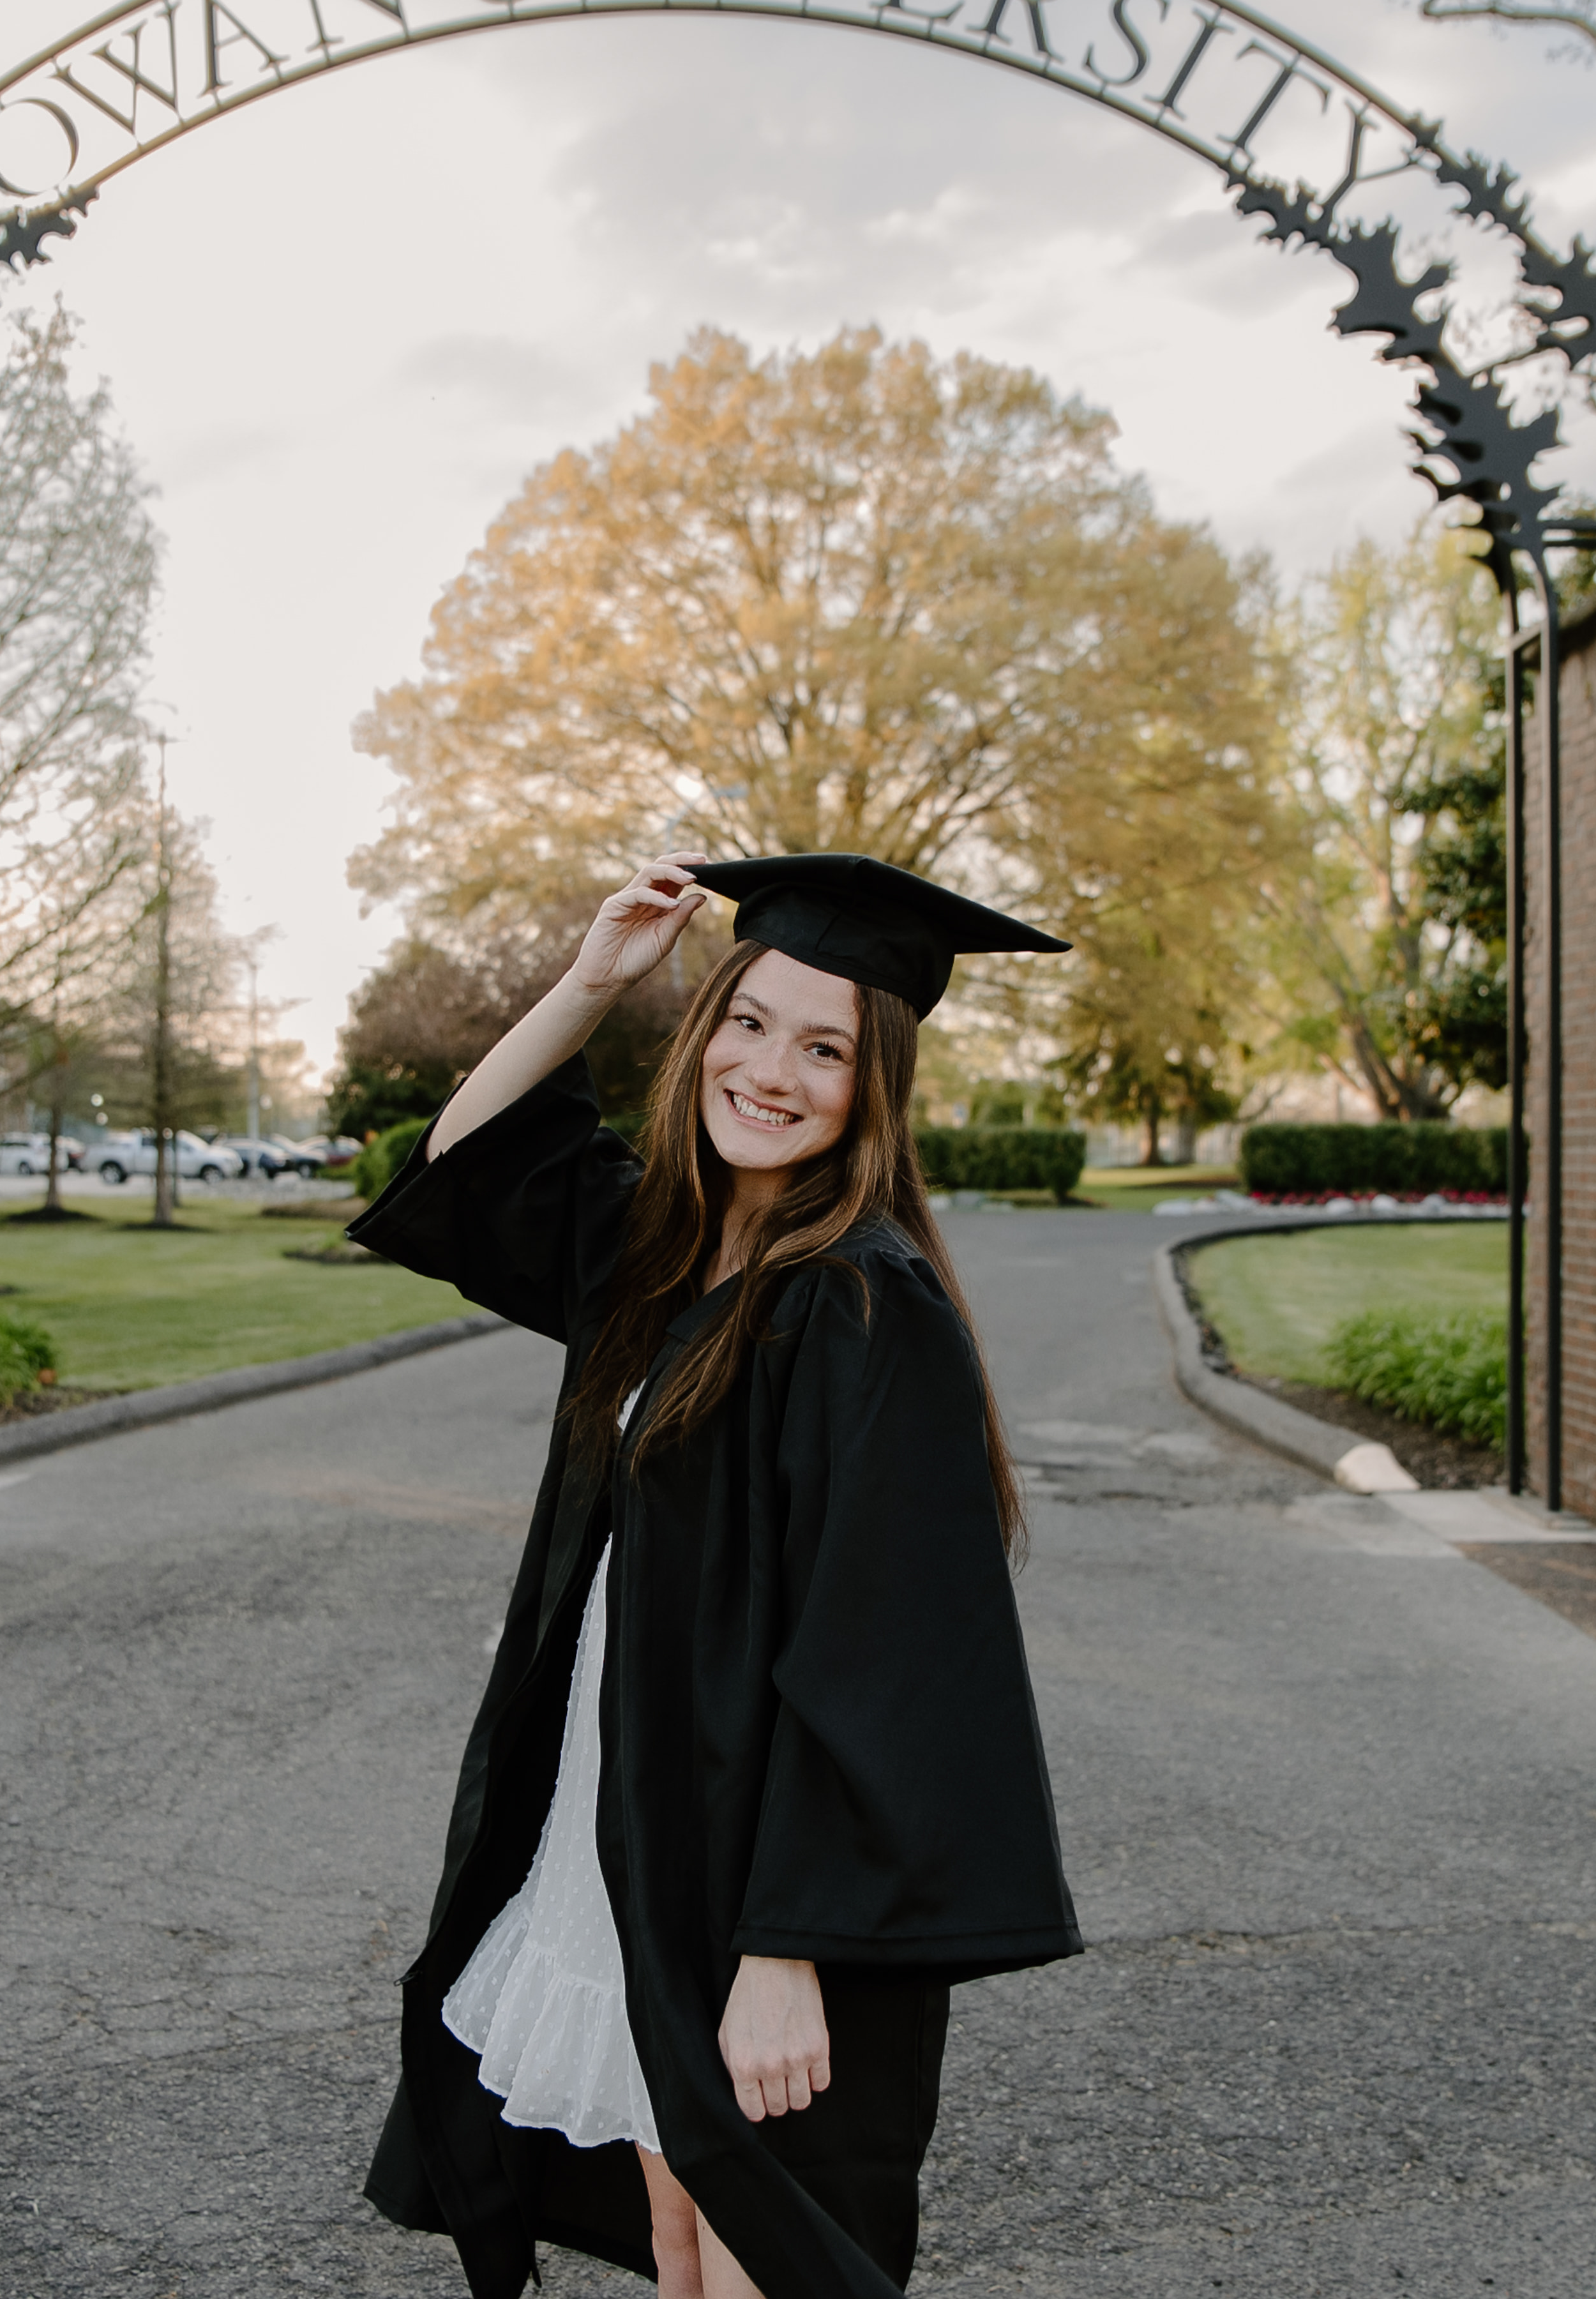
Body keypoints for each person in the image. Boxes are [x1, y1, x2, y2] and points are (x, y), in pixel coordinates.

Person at [354, 852, 1083, 2299]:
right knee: (682, 2244)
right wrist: (593, 982)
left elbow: (889, 1664)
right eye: (749, 1022)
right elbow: (467, 1157)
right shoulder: (672, 1252)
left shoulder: (865, 1305)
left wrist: (787, 1955)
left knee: (768, 2259)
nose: (772, 1069)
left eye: (826, 1047)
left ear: (876, 1087)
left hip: (771, 1907)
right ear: (703, 1032)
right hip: (634, 1848)